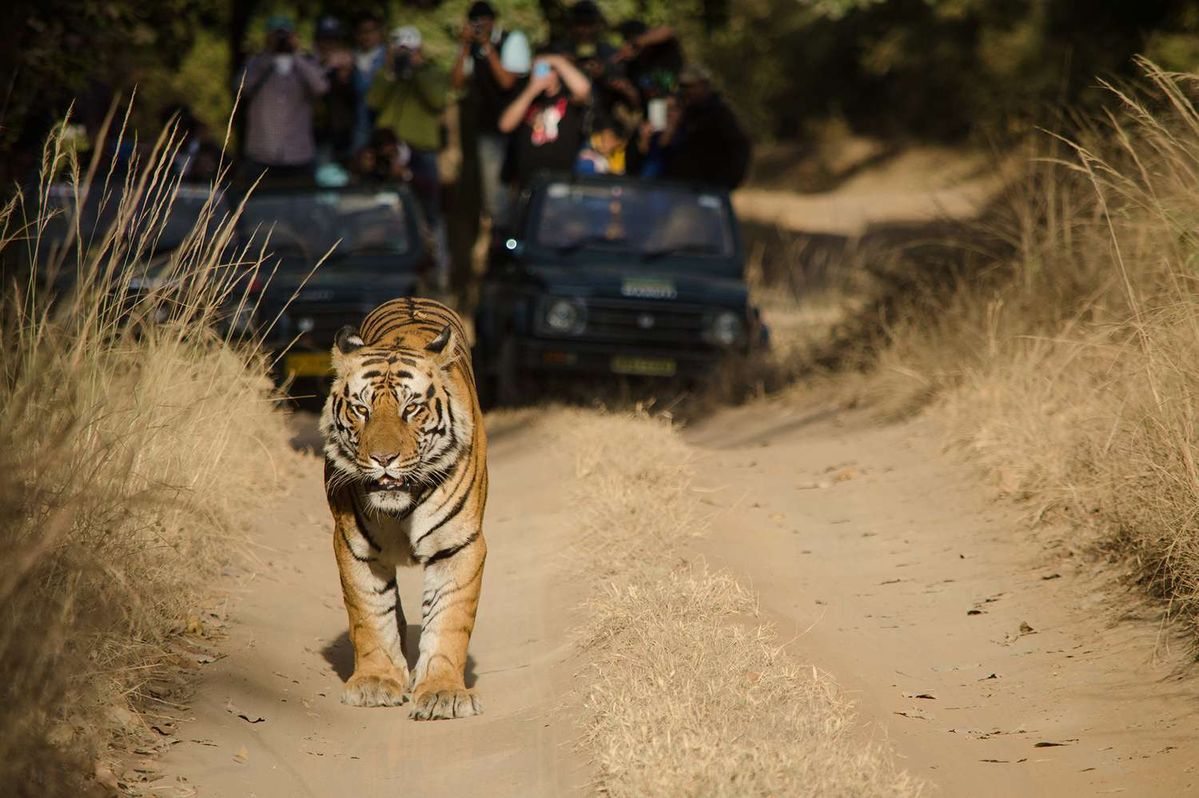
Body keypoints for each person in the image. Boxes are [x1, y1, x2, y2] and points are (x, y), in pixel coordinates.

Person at [367, 26, 451, 289]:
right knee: (384, 209)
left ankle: (438, 270)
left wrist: (415, 71)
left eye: (409, 50)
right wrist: (391, 71)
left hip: (421, 151)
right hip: (389, 149)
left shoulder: (432, 73)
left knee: (430, 211)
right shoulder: (386, 74)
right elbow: (372, 102)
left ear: (419, 51)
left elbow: (437, 101)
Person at [450, 1, 530, 225]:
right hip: (487, 127)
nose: (479, 25)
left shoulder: (512, 40)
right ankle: (499, 235)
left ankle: (519, 229)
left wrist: (487, 46)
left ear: (493, 20)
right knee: (493, 191)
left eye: (483, 20)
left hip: (518, 127)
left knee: (520, 182)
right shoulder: (471, 47)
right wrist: (465, 47)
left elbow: (506, 82)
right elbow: (456, 84)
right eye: (475, 21)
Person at [238, 16, 329, 176]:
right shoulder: (256, 63)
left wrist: (295, 54)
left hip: (298, 154)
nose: (281, 39)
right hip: (262, 152)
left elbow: (321, 88)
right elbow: (241, 88)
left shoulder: (304, 64)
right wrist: (268, 54)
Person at [498, 53, 591, 189]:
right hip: (528, 183)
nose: (544, 73)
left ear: (559, 72)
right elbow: (505, 125)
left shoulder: (570, 100)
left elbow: (584, 90)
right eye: (539, 69)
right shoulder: (526, 97)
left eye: (549, 69)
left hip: (561, 183)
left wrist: (557, 60)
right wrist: (532, 90)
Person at [663, 64, 750, 189]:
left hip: (708, 189)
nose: (686, 91)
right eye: (682, 87)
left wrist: (726, 183)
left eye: (690, 86)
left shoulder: (719, 114)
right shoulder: (681, 112)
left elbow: (739, 148)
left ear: (704, 85)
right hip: (678, 190)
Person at [314, 16, 358, 164]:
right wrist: (325, 67)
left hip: (342, 133)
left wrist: (345, 74)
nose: (329, 44)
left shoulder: (348, 63)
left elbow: (356, 96)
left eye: (333, 40)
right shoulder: (307, 62)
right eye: (324, 39)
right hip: (315, 133)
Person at [352, 13, 387, 152]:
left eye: (370, 31)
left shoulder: (389, 56)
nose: (366, 36)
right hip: (358, 125)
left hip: (385, 126)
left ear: (379, 32)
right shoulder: (350, 57)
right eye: (362, 31)